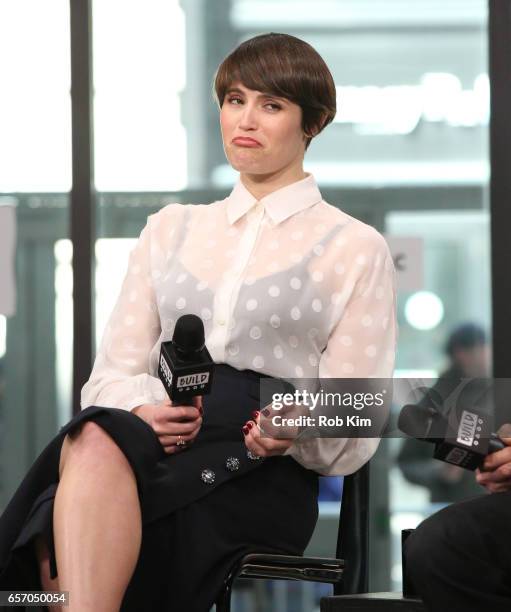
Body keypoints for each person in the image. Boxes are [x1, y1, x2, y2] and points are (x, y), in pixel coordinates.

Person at [0, 33, 397, 611]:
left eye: (272, 105)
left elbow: (361, 403)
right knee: (94, 433)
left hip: (258, 463)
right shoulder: (172, 228)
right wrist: (143, 412)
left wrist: (295, 423)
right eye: (235, 100)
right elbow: (110, 375)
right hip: (153, 439)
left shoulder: (353, 246)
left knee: (69, 523)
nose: (246, 120)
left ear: (314, 122)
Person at [404, 423, 511, 611]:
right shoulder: (439, 399)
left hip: (475, 511)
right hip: (452, 501)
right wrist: (439, 472)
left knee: (446, 538)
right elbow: (407, 462)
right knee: (439, 538)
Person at [397, 323, 490, 503]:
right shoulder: (435, 401)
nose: (487, 354)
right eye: (482, 348)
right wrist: (440, 472)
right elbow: (406, 462)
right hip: (453, 511)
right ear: (461, 353)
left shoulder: (498, 392)